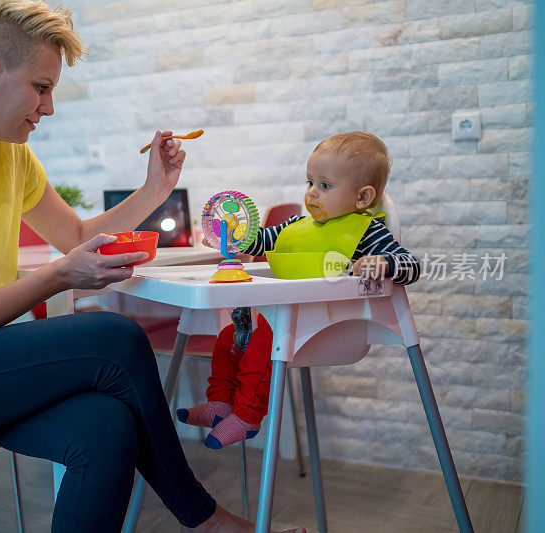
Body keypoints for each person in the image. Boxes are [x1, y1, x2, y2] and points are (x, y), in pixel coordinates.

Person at [0, 1, 304, 531]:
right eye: (41, 87)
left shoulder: (9, 154)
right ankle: (205, 519)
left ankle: (203, 518)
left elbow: (74, 235)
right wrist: (56, 275)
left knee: (106, 426)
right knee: (114, 338)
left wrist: (154, 191)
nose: (48, 108)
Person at [178, 131, 421, 449]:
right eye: (310, 183)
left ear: (362, 198)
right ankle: (221, 405)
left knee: (265, 340)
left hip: (328, 327)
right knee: (227, 339)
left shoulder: (367, 231)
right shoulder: (296, 225)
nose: (312, 194)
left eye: (325, 186)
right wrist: (228, 238)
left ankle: (247, 415)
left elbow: (411, 265)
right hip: (282, 319)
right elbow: (261, 240)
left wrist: (382, 264)